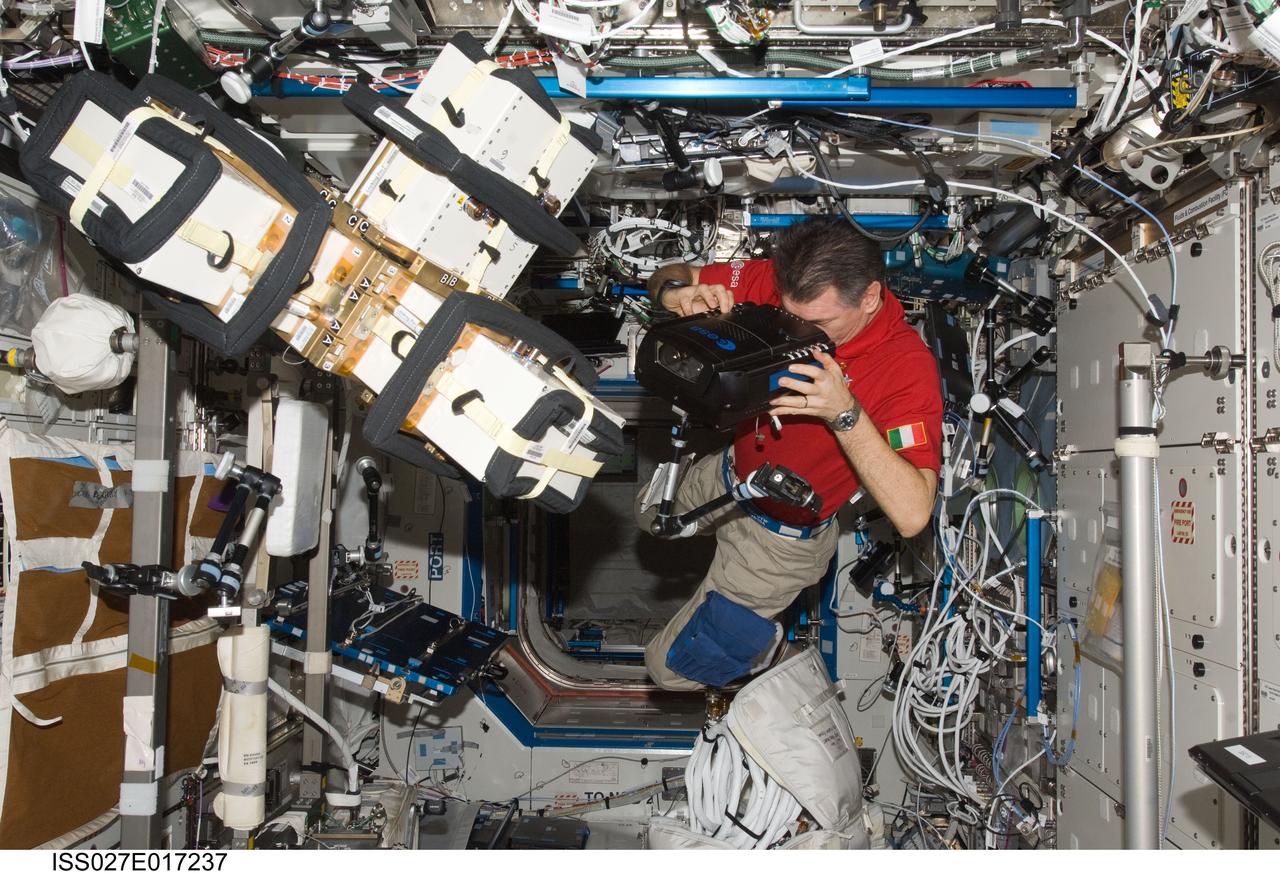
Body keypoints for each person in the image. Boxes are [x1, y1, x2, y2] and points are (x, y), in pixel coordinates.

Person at [638, 218, 943, 691]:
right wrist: (674, 294)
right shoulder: (783, 283)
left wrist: (845, 413)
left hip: (778, 544)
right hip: (731, 473)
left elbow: (913, 514)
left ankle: (773, 649)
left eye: (819, 324)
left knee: (670, 673)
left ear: (869, 298)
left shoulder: (906, 369)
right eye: (790, 313)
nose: (800, 331)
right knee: (643, 514)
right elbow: (671, 273)